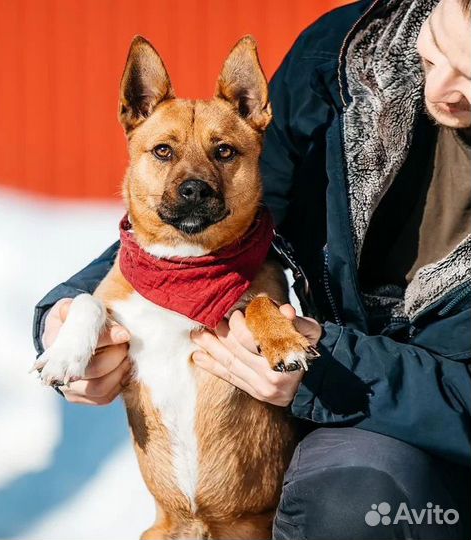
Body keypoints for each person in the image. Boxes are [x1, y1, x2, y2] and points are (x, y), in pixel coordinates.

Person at [33, 0, 471, 537]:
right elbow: (202, 233)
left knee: (352, 500)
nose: (443, 86)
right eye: (434, 53)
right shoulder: (338, 56)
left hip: (414, 438)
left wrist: (327, 366)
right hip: (201, 502)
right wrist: (66, 314)